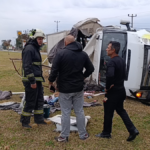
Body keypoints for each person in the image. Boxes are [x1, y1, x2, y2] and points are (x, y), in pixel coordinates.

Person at [48, 35, 94, 142]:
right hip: (78, 88)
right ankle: (83, 135)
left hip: (65, 89)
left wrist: (51, 82)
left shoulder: (61, 53)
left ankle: (64, 136)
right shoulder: (83, 54)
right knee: (79, 111)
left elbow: (54, 70)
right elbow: (91, 68)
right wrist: (83, 76)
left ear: (65, 42)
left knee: (66, 113)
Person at [95, 41, 139, 141]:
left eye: (108, 47)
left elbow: (110, 75)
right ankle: (132, 130)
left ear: (113, 50)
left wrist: (107, 87)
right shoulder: (121, 60)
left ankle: (106, 133)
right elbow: (124, 74)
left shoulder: (112, 62)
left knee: (108, 112)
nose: (106, 49)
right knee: (121, 110)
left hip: (113, 91)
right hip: (121, 90)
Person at [20, 29, 50, 128]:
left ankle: (39, 119)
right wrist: (32, 81)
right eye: (39, 39)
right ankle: (25, 122)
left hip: (38, 79)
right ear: (34, 38)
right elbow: (27, 66)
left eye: (42, 39)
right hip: (31, 80)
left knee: (39, 99)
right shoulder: (29, 49)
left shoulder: (35, 48)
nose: (41, 41)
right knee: (30, 100)